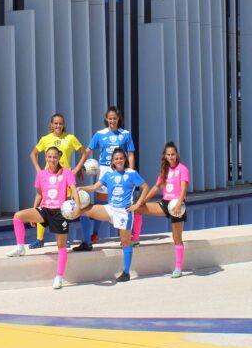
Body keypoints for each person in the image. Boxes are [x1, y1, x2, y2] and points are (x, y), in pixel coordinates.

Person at [5, 147, 79, 290]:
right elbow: (39, 194)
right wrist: (34, 210)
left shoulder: (67, 173)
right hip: (45, 210)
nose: (52, 160)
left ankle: (59, 277)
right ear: (45, 157)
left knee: (61, 246)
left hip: (60, 212)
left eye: (55, 157)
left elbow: (74, 190)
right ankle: (20, 247)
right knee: (18, 216)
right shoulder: (41, 174)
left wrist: (78, 207)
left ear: (59, 157)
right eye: (49, 157)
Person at [76, 147, 150, 282]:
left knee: (125, 242)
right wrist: (80, 188)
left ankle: (126, 272)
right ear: (113, 161)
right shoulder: (109, 175)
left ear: (125, 159)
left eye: (121, 158)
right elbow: (94, 188)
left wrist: (138, 204)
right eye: (116, 159)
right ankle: (87, 242)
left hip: (124, 212)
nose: (119, 161)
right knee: (84, 211)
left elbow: (146, 188)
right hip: (110, 209)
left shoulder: (132, 173)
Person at [73, 106, 137, 251]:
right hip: (104, 171)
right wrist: (77, 168)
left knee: (121, 204)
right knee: (101, 203)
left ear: (118, 119)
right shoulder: (99, 134)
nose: (112, 121)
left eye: (115, 118)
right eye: (110, 118)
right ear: (106, 119)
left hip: (121, 172)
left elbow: (131, 154)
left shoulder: (125, 134)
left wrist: (131, 173)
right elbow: (87, 152)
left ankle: (125, 237)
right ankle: (92, 237)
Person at [132, 142, 189, 278]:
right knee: (138, 209)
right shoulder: (165, 170)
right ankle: (135, 238)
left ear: (177, 155)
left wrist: (179, 204)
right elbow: (156, 187)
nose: (171, 157)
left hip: (177, 206)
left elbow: (183, 189)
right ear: (165, 156)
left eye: (173, 154)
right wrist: (143, 200)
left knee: (177, 238)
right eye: (168, 155)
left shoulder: (183, 169)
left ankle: (178, 268)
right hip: (165, 203)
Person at [28, 113, 83, 249]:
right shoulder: (45, 139)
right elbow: (33, 154)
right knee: (43, 205)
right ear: (51, 125)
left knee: (65, 208)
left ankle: (63, 236)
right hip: (49, 179)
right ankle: (39, 239)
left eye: (60, 123)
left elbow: (84, 153)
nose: (58, 126)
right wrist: (38, 170)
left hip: (65, 178)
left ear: (64, 124)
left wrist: (77, 169)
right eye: (56, 123)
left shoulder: (70, 138)